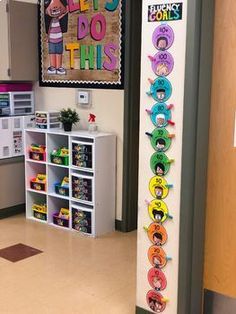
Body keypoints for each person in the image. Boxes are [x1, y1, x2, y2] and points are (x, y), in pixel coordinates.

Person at [44, 0, 68, 75]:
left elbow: (64, 13)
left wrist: (66, 10)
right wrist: (48, 38)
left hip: (59, 39)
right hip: (51, 40)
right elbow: (49, 29)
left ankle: (59, 67)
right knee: (52, 53)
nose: (54, 7)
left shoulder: (59, 19)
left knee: (58, 53)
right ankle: (53, 66)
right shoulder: (50, 21)